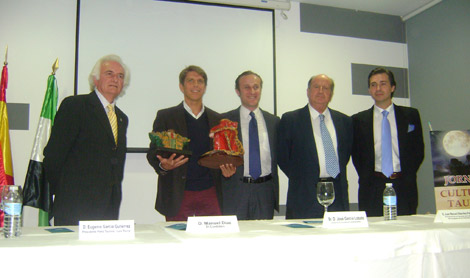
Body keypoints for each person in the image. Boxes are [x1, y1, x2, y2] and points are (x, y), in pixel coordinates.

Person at [43, 54, 130, 225]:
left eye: (120, 76)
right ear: (95, 79)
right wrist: (62, 192)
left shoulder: (121, 118)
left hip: (108, 207)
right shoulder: (75, 106)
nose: (115, 79)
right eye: (109, 74)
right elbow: (54, 155)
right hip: (74, 205)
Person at [147, 65, 235, 221]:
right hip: (178, 194)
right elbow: (153, 153)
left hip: (210, 192)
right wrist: (163, 166)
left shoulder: (217, 119)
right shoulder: (166, 116)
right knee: (177, 240)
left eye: (200, 81)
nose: (196, 85)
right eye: (191, 81)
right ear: (181, 86)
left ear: (205, 87)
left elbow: (223, 155)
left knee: (212, 241)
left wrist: (226, 171)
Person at [352, 67, 424, 216]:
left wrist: (407, 175)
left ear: (392, 87)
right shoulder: (358, 120)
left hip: (403, 184)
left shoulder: (411, 115)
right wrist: (368, 177)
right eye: (373, 85)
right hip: (372, 187)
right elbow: (357, 156)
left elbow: (418, 151)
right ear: (369, 90)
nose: (378, 88)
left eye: (383, 83)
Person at [277, 74, 352, 219]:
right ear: (308, 91)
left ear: (331, 94)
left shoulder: (344, 121)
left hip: (337, 194)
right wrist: (303, 177)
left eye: (326, 88)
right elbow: (282, 157)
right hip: (303, 195)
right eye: (316, 87)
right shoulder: (291, 119)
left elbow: (345, 155)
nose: (320, 91)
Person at [221, 71, 280, 220]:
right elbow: (217, 156)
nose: (252, 91)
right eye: (246, 87)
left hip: (265, 190)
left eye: (256, 87)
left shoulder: (274, 121)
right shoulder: (225, 121)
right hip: (236, 189)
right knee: (235, 238)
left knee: (264, 238)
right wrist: (223, 169)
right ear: (238, 91)